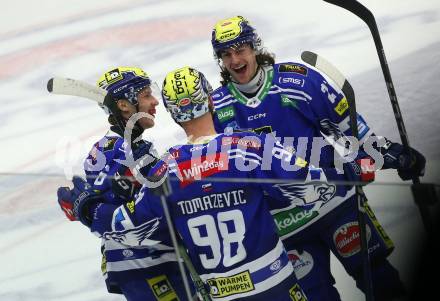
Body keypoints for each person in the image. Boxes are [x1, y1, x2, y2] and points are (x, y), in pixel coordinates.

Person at [55, 66, 369, 301]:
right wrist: (348, 169)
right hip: (156, 267)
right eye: (146, 94)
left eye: (155, 95)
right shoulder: (245, 146)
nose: (153, 103)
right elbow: (307, 185)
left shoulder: (166, 164)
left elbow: (128, 218)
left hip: (208, 282)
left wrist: (87, 207)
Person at [209, 16, 426, 301]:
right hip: (285, 225)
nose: (235, 60)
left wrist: (390, 154)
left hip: (336, 204)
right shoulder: (218, 106)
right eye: (226, 54)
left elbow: (350, 129)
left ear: (254, 47)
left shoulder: (297, 80)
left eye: (240, 50)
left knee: (379, 280)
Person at [57, 66, 194, 301]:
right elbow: (101, 210)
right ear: (123, 104)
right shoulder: (116, 149)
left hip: (147, 260)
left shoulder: (127, 147)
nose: (155, 102)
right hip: (143, 263)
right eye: (146, 95)